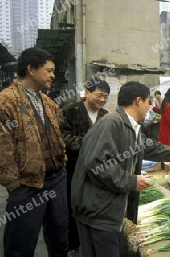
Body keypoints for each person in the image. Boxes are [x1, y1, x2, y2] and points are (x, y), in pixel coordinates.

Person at [71, 81, 170, 257]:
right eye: (148, 102)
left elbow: (154, 148)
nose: (150, 107)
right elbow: (97, 165)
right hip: (98, 213)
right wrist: (131, 181)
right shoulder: (110, 124)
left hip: (109, 210)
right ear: (138, 101)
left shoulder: (132, 127)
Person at [0, 47, 69, 256]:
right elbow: (1, 148)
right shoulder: (5, 101)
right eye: (48, 70)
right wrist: (14, 185)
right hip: (27, 186)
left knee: (59, 237)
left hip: (56, 178)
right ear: (31, 69)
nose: (52, 75)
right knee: (21, 244)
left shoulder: (48, 103)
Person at [59, 77, 111, 254]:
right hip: (74, 169)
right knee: (74, 207)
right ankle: (74, 245)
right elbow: (62, 137)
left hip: (97, 171)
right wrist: (89, 143)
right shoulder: (70, 111)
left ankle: (90, 243)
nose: (102, 100)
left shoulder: (105, 116)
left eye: (105, 97)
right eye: (99, 95)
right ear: (87, 93)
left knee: (93, 205)